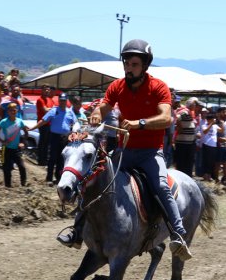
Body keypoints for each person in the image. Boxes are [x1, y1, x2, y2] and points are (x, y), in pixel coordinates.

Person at [58, 39, 192, 261]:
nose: (128, 68)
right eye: (127, 63)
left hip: (150, 152)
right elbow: (104, 106)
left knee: (160, 185)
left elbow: (166, 118)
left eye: (134, 64)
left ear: (145, 66)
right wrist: (97, 115)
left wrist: (140, 123)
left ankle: (178, 233)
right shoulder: (117, 86)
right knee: (93, 178)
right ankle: (77, 231)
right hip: (125, 151)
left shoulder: (159, 87)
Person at [28, 92, 78, 183]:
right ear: (59, 101)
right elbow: (43, 121)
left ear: (66, 101)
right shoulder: (54, 111)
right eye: (61, 101)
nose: (62, 102)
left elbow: (75, 123)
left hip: (65, 138)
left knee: (62, 158)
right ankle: (49, 178)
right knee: (52, 157)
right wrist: (32, 128)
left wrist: (75, 132)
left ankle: (59, 178)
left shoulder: (70, 112)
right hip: (54, 136)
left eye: (64, 101)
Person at [0, 102, 28, 187]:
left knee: (22, 167)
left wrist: (23, 142)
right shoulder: (4, 122)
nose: (13, 112)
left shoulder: (20, 121)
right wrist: (1, 141)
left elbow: (26, 133)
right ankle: (8, 186)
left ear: (17, 111)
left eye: (14, 110)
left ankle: (24, 184)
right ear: (8, 112)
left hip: (16, 149)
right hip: (6, 149)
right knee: (6, 169)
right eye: (11, 110)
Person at [35, 84, 55, 165]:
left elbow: (52, 110)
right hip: (42, 123)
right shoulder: (40, 100)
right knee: (43, 142)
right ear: (42, 90)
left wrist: (51, 109)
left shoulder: (50, 100)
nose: (47, 91)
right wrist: (52, 109)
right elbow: (45, 110)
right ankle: (40, 160)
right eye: (45, 89)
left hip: (49, 123)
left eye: (48, 90)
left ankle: (45, 160)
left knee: (47, 143)